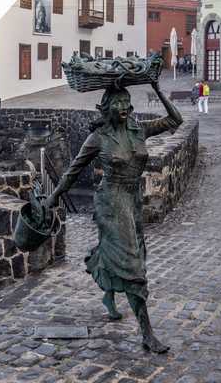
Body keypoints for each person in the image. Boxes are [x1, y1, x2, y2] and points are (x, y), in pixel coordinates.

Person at [45, 81, 182, 354]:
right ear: (106, 109)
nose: (122, 107)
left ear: (130, 107)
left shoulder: (138, 129)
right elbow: (73, 170)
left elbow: (175, 119)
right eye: (116, 103)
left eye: (125, 102)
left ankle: (109, 296)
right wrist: (54, 196)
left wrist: (155, 86)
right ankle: (147, 333)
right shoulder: (98, 138)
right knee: (132, 262)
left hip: (132, 199)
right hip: (110, 200)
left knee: (133, 252)